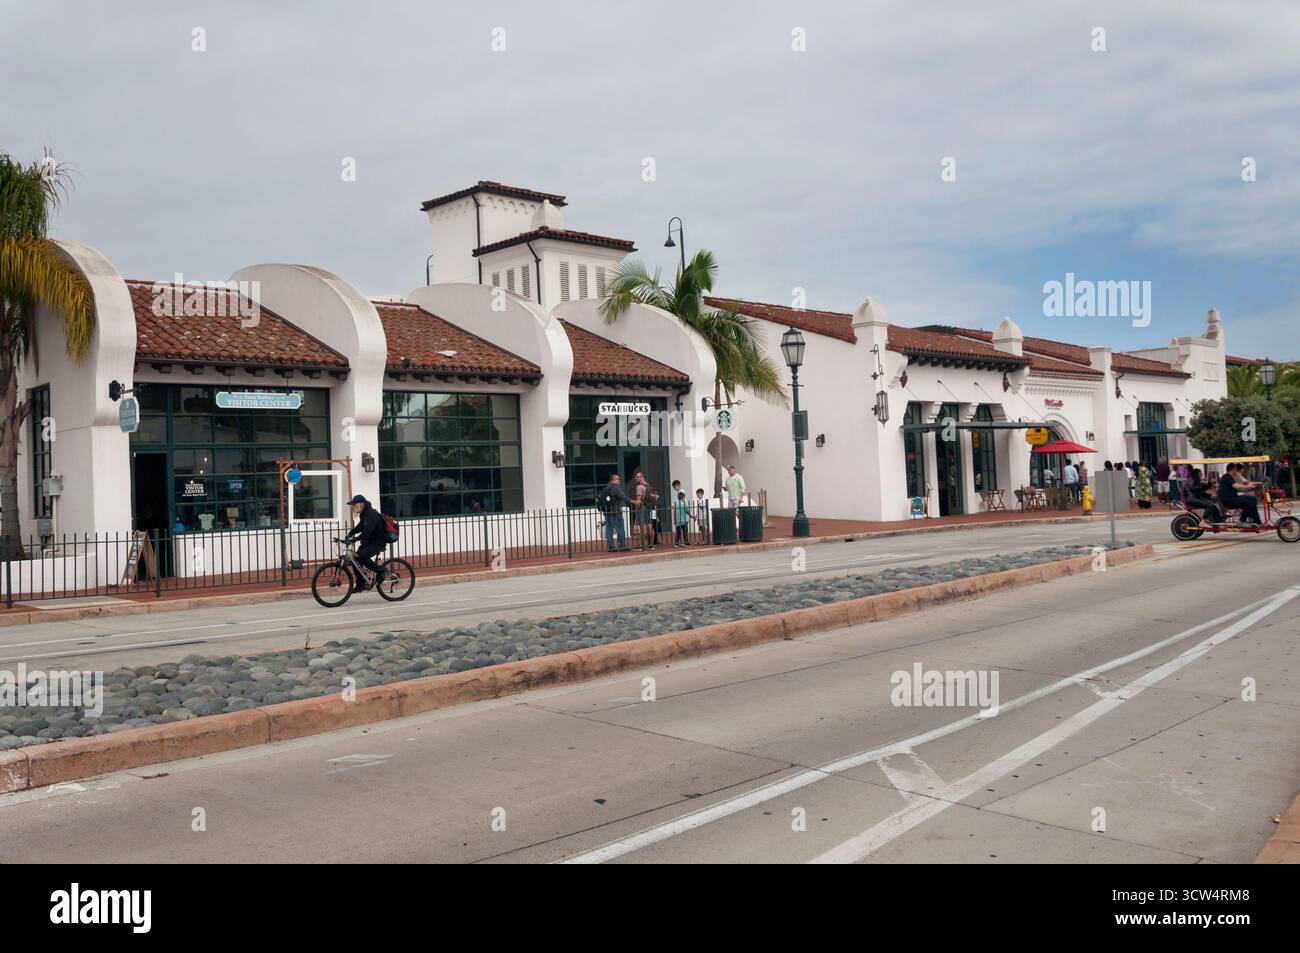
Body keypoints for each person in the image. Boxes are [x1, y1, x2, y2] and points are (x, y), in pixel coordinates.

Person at [342, 494, 390, 590]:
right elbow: (360, 526)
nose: (353, 507)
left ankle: (381, 571)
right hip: (368, 542)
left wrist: (356, 539)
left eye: (354, 505)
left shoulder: (372, 514)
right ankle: (361, 584)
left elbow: (368, 530)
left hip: (378, 542)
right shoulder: (364, 514)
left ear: (361, 504)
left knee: (363, 556)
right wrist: (350, 533)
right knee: (356, 560)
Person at [598, 473, 631, 552]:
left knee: (609, 530)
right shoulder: (616, 488)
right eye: (618, 479)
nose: (619, 480)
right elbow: (623, 497)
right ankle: (622, 546)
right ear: (613, 480)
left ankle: (611, 547)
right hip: (616, 511)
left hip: (607, 512)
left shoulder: (606, 488)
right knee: (620, 528)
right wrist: (632, 502)